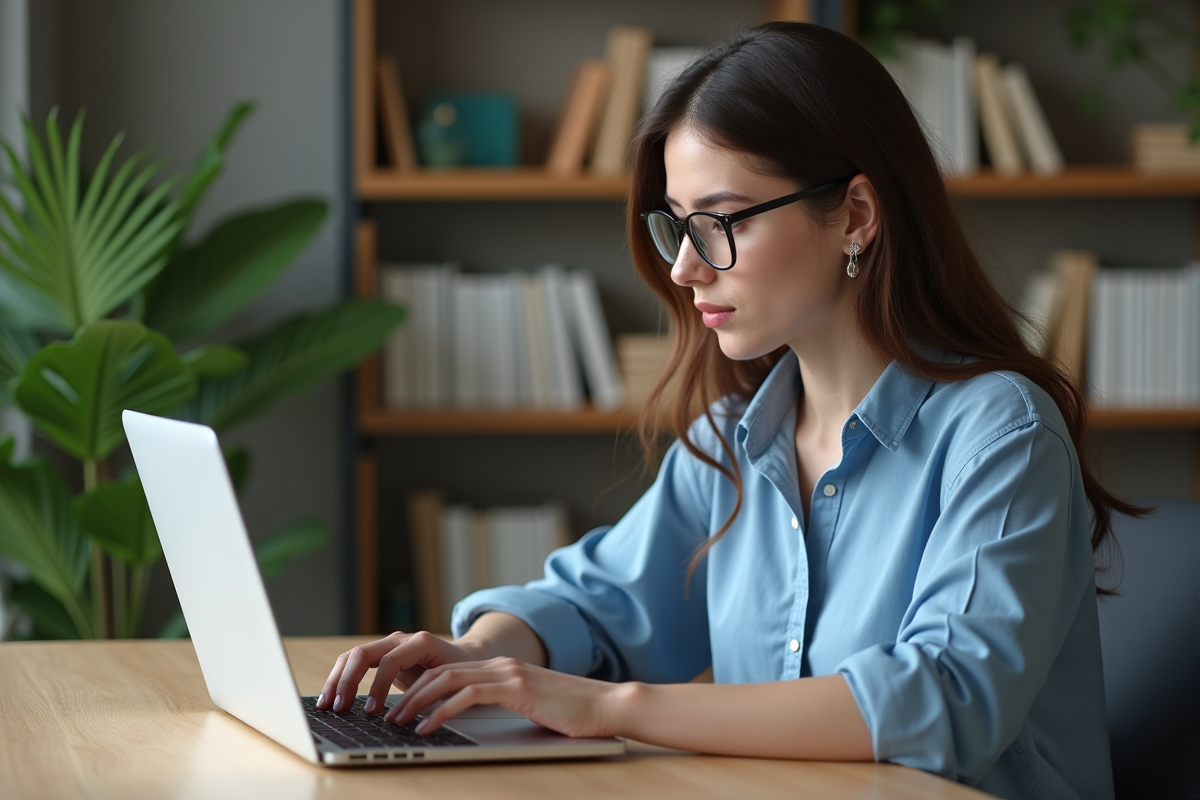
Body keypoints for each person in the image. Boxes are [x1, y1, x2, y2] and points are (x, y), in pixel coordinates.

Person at [319, 22, 1133, 799]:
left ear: (855, 214)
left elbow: (947, 698)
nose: (682, 268)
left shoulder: (1001, 432)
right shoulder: (732, 442)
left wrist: (608, 707)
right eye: (677, 225)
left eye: (718, 223)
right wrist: (476, 658)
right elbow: (597, 608)